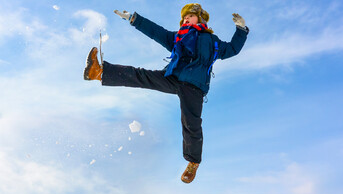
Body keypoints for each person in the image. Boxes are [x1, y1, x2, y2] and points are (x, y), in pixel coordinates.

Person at [83, 3, 249, 183]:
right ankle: (99, 73)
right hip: (174, 77)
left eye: (190, 16)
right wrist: (134, 19)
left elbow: (233, 49)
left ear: (200, 19)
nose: (186, 19)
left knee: (190, 122)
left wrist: (241, 30)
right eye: (184, 18)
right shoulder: (179, 37)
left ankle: (193, 162)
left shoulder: (212, 41)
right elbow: (156, 32)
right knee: (141, 75)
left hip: (194, 86)